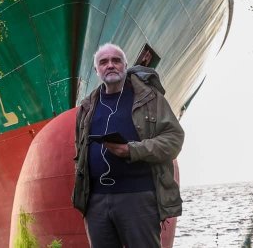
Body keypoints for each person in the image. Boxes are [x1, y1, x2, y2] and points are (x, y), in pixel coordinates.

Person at [72, 43, 184, 248]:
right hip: (97, 203)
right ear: (96, 70)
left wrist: (132, 150)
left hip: (138, 198)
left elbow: (174, 139)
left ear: (125, 65)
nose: (110, 65)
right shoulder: (87, 106)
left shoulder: (150, 98)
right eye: (103, 62)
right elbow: (80, 152)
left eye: (116, 60)